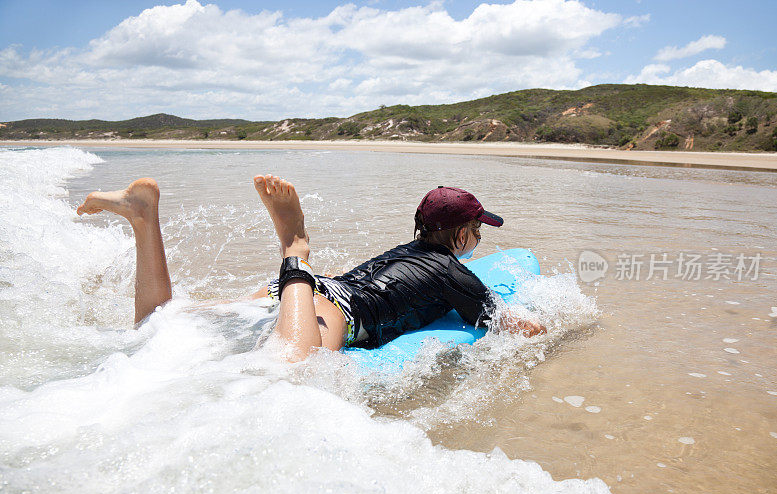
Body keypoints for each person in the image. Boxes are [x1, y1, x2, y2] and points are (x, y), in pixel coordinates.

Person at [77, 175, 545, 361]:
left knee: (157, 322)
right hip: (330, 305)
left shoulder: (405, 250)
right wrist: (561, 326)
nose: (480, 240)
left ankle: (142, 215)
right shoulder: (453, 273)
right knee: (294, 366)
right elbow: (515, 328)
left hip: (300, 294)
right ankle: (294, 246)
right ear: (462, 234)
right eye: (478, 231)